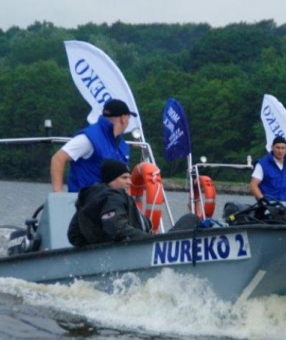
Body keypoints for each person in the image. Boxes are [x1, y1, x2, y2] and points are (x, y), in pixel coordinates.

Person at [68, 159, 200, 246]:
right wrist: (149, 240)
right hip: (142, 248)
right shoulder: (114, 196)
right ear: (111, 180)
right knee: (191, 218)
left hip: (107, 253)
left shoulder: (88, 199)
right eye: (124, 178)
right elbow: (117, 228)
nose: (129, 182)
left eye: (130, 178)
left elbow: (73, 235)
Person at [51, 99, 136, 193]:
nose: (128, 122)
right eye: (128, 118)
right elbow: (58, 158)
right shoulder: (89, 138)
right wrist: (58, 194)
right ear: (123, 118)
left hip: (110, 202)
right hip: (84, 203)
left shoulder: (121, 145)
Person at [249, 136, 286, 202]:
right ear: (272, 147)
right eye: (278, 148)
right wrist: (264, 202)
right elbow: (253, 186)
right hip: (268, 205)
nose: (280, 151)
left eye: (283, 148)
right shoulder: (262, 164)